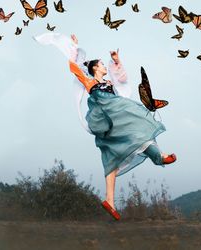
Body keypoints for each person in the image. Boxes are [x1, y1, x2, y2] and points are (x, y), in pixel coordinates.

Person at [68, 34, 177, 220]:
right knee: (137, 123)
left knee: (124, 144)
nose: (104, 66)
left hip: (117, 117)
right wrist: (74, 47)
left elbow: (122, 80)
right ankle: (157, 157)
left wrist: (116, 61)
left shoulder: (109, 83)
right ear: (95, 68)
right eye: (102, 64)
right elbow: (74, 68)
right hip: (105, 118)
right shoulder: (90, 82)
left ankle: (110, 201)